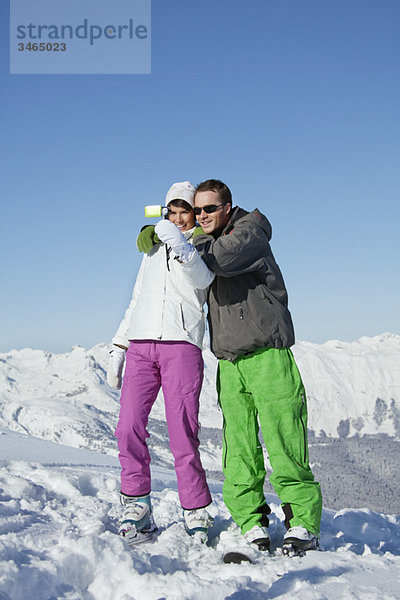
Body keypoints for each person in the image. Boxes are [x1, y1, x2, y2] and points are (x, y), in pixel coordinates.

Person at [189, 179, 323, 555]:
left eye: (209, 209)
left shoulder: (250, 233)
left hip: (268, 356)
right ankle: (251, 522)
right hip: (230, 363)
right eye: (196, 211)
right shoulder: (206, 239)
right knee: (240, 450)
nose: (201, 217)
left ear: (227, 208)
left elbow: (222, 260)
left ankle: (303, 525)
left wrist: (186, 236)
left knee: (285, 441)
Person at [107, 181, 214, 546]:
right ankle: (137, 504)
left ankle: (195, 510)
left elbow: (204, 280)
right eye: (174, 212)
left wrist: (181, 245)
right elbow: (138, 297)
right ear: (166, 212)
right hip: (141, 345)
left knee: (183, 431)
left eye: (187, 212)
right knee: (127, 426)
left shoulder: (201, 243)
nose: (180, 218)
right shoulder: (150, 250)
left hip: (180, 345)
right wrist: (119, 344)